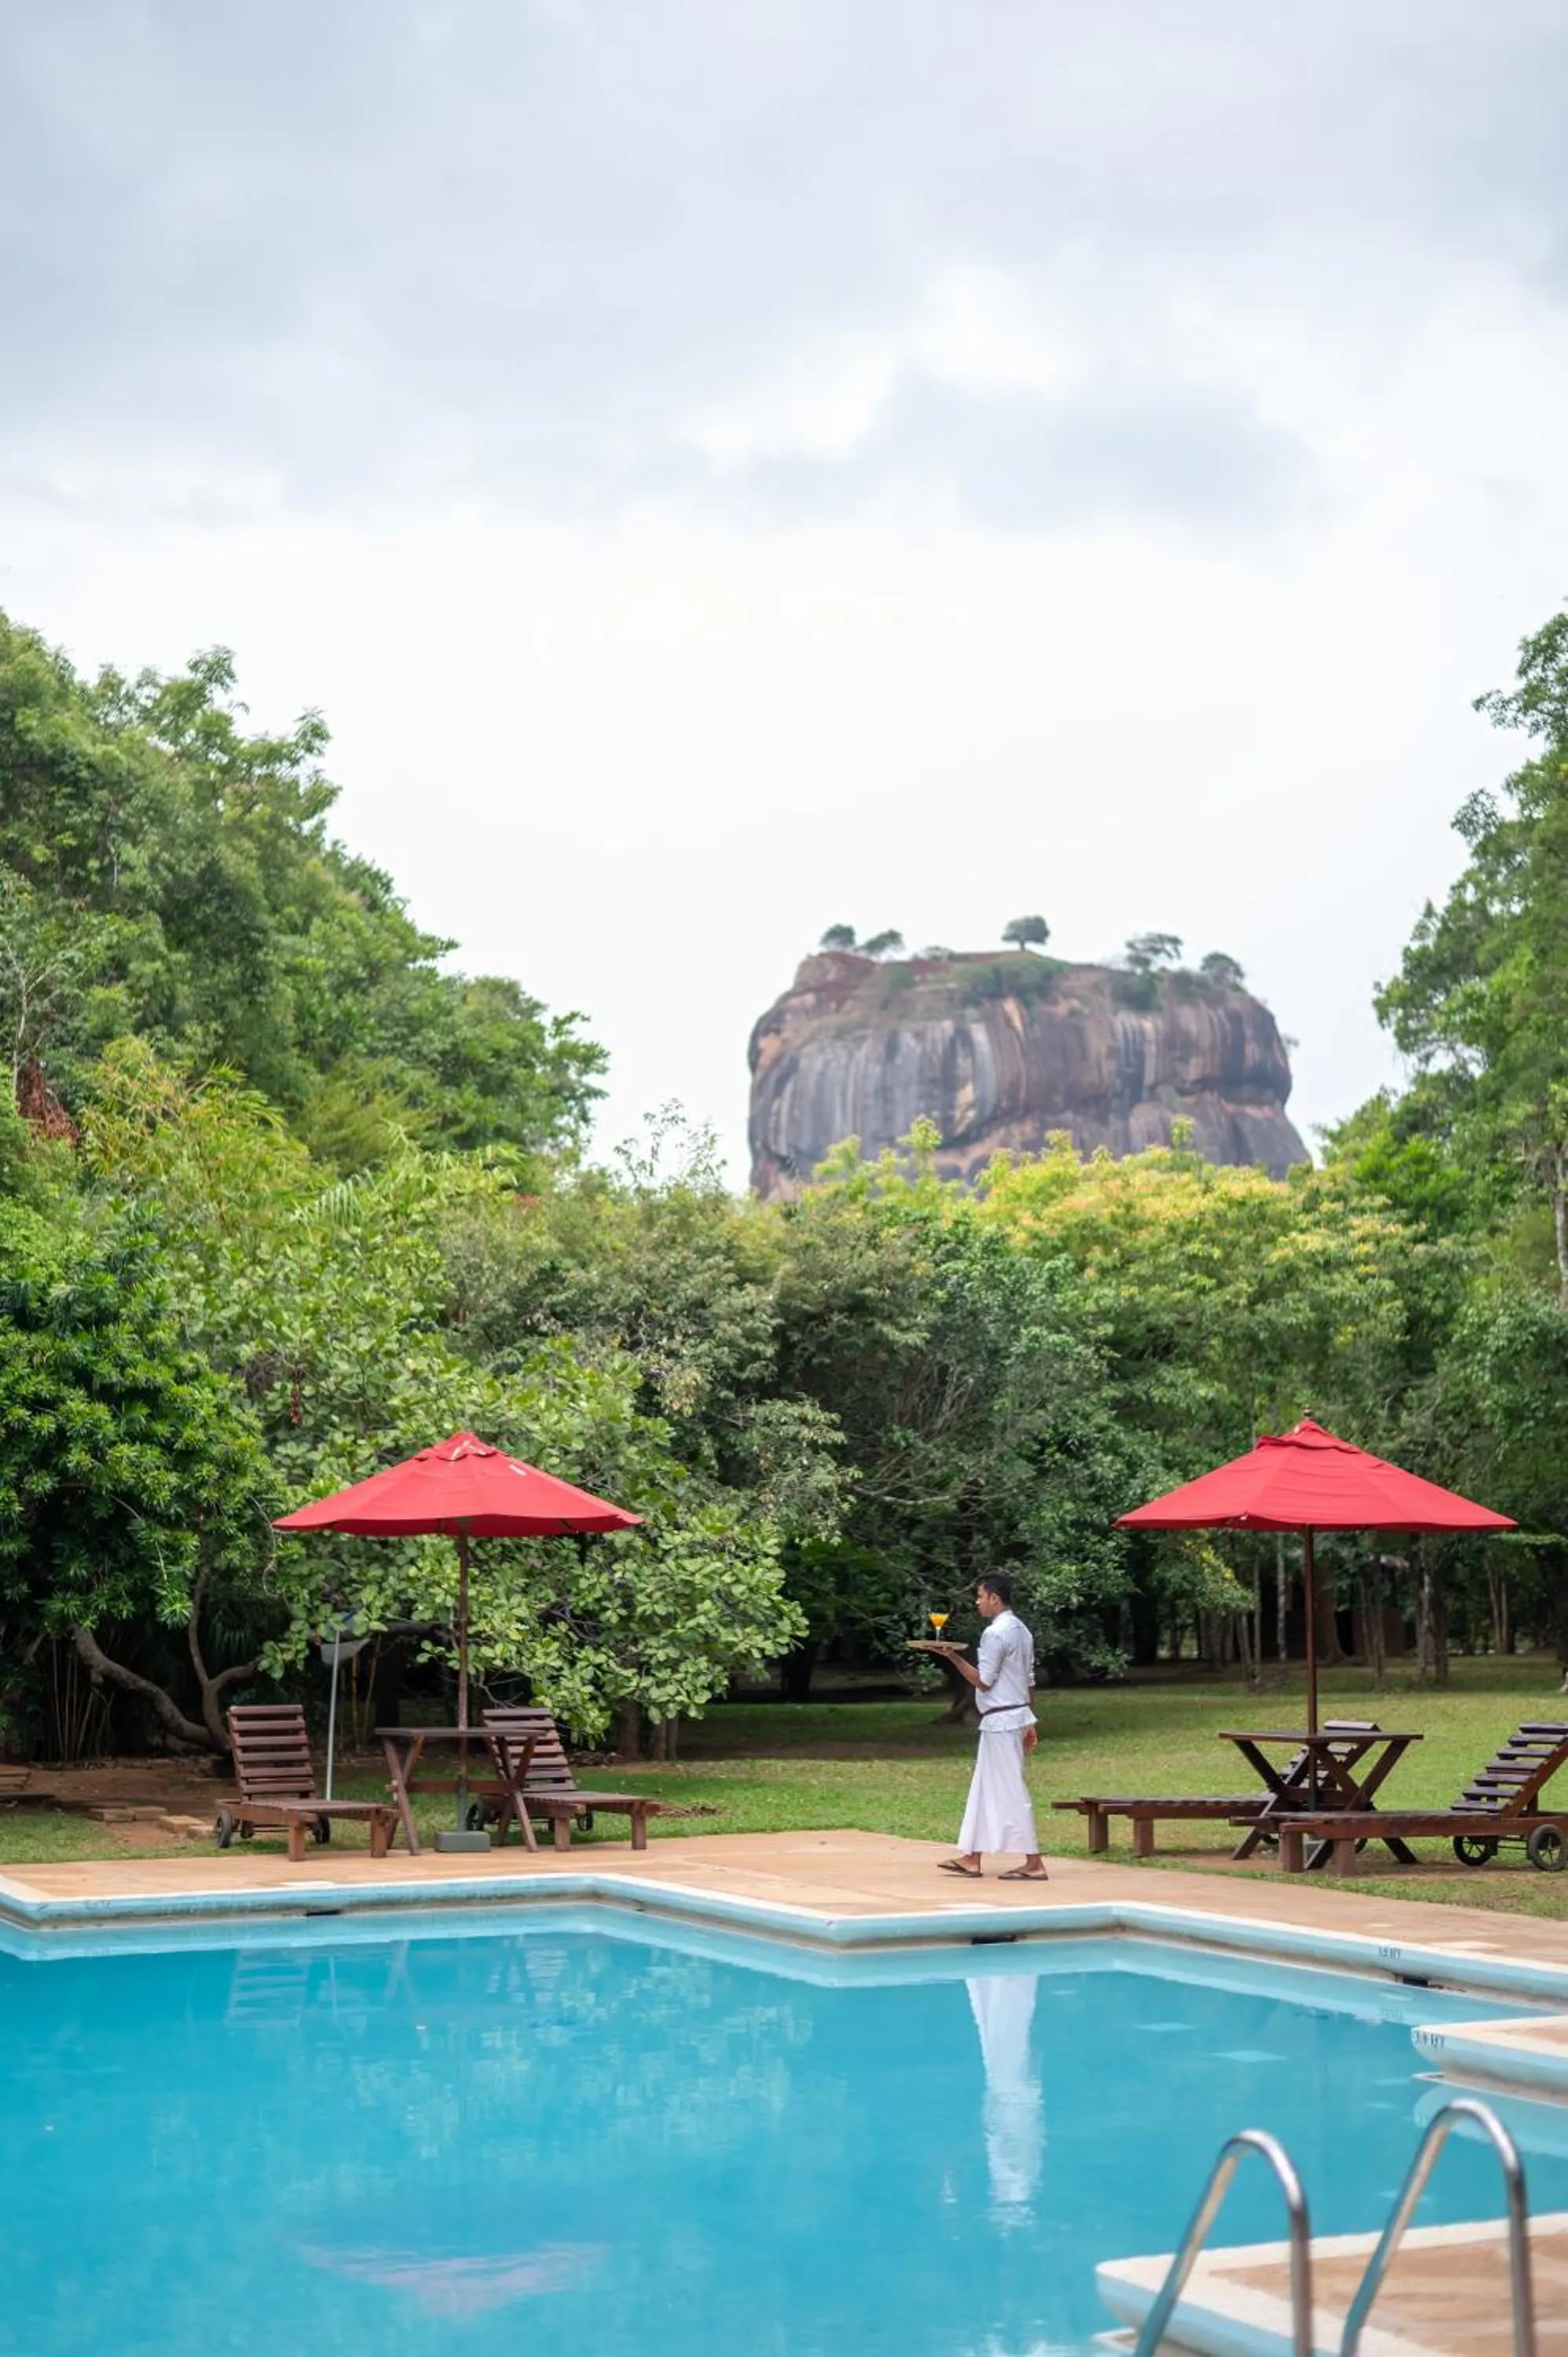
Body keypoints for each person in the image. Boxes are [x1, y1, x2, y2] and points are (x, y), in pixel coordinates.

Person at [935, 1573, 1047, 1880]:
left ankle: (1034, 1863)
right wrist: (1030, 1719)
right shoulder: (1021, 1630)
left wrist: (954, 1659)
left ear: (995, 1598)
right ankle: (971, 1857)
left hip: (1002, 1720)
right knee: (984, 1788)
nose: (978, 1602)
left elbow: (983, 1681)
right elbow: (1028, 1681)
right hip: (1011, 1717)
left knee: (1011, 1789)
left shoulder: (996, 1633)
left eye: (980, 1596)